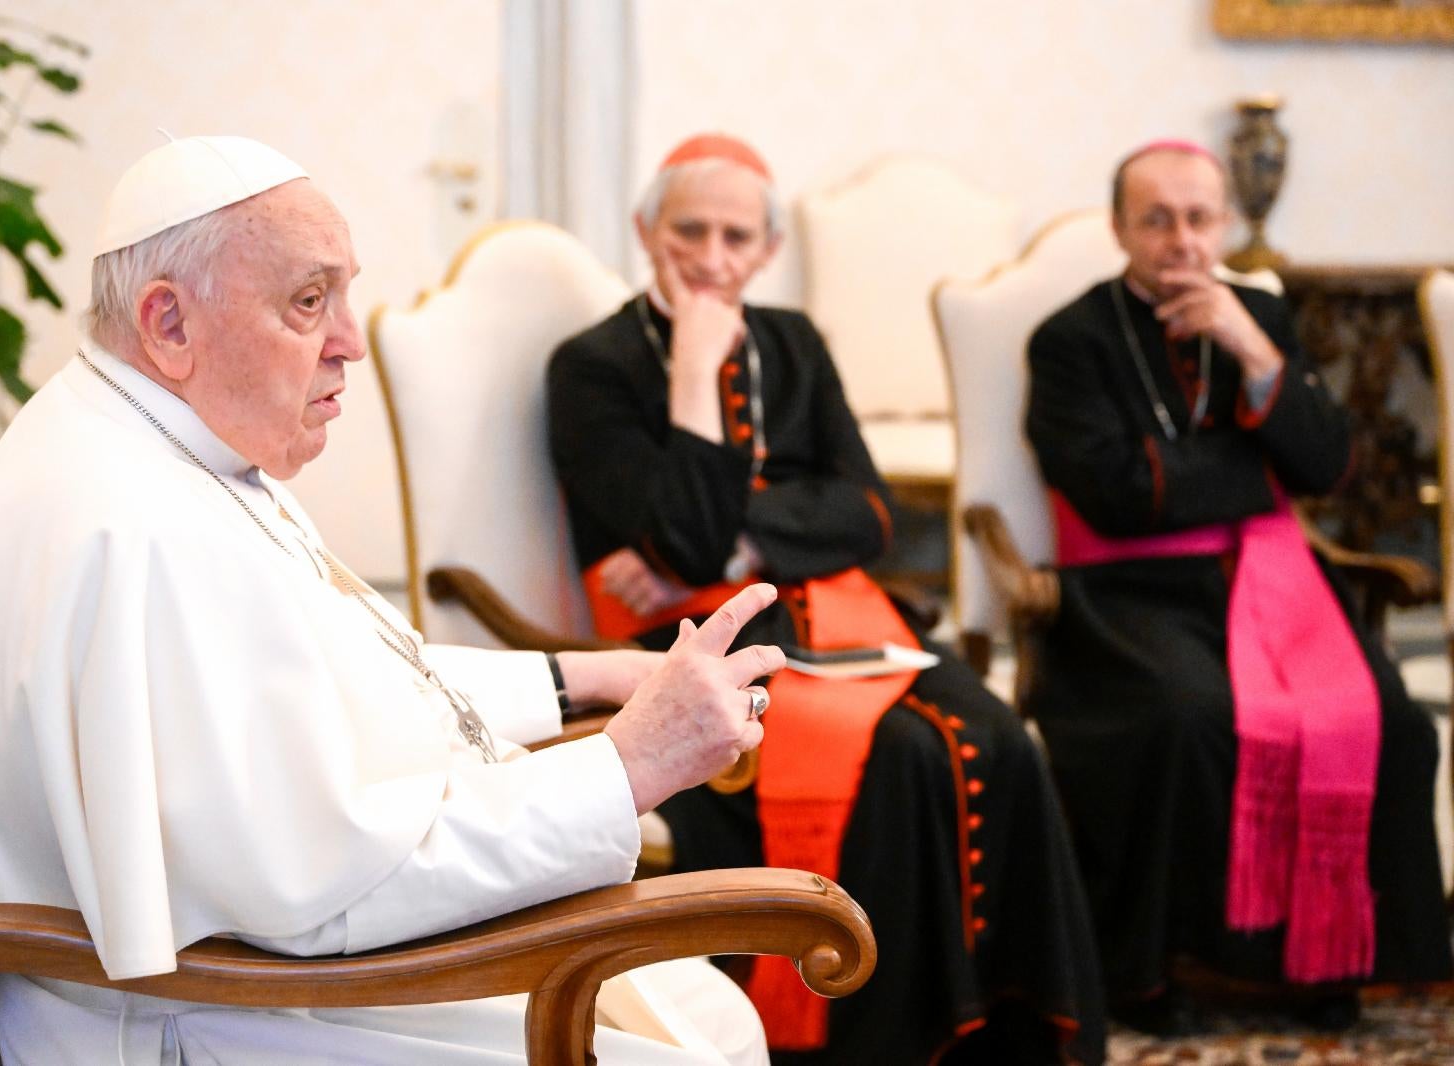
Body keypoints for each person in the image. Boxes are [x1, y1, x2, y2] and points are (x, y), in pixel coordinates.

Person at [0, 135, 785, 1065]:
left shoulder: (163, 444)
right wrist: (629, 767)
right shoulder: (130, 531)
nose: (353, 341)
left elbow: (348, 680)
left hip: (280, 971)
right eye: (308, 301)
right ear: (168, 325)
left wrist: (582, 675)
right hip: (232, 1015)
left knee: (708, 1009)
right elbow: (312, 894)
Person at [547, 133, 1106, 1066]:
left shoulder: (794, 343)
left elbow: (869, 512)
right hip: (686, 641)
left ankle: (1002, 1037)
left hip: (836, 611)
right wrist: (692, 368)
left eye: (738, 237)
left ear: (768, 249)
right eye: (691, 231)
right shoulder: (592, 365)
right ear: (646, 230)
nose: (714, 259)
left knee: (998, 739)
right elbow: (681, 544)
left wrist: (743, 535)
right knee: (904, 759)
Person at [1023, 139, 1452, 1033]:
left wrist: (1254, 350)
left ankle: (1327, 962)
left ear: (1222, 223)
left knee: (1390, 720)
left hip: (1273, 580)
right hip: (1126, 594)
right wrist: (1257, 466)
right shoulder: (1069, 339)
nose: (1181, 239)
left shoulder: (1260, 315)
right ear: (1120, 227)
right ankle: (1172, 967)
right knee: (1192, 719)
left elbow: (1327, 462)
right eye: (1157, 218)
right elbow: (1117, 496)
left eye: (1198, 218)